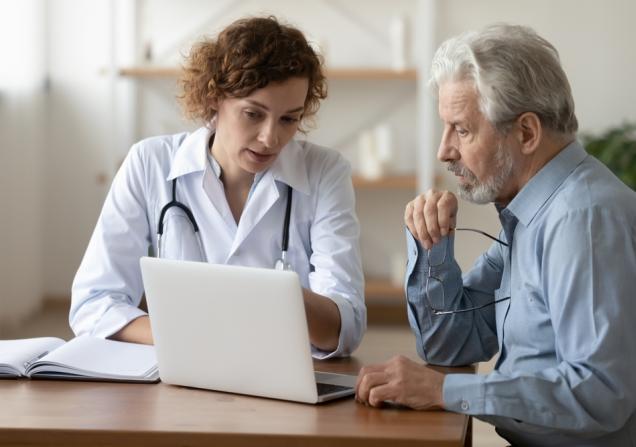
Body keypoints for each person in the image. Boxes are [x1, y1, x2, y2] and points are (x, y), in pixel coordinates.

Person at [355, 24, 636, 446]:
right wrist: (433, 250)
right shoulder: (530, 213)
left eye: (462, 130)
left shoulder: (583, 218)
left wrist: (442, 391)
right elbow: (450, 345)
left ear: (526, 133)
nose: (444, 151)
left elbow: (599, 393)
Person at [70, 16, 366, 359]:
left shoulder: (325, 172)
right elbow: (93, 304)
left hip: (277, 378)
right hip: (180, 371)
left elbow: (346, 327)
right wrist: (189, 337)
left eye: (289, 119)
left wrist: (277, 296)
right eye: (253, 114)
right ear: (214, 98)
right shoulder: (149, 163)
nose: (271, 138)